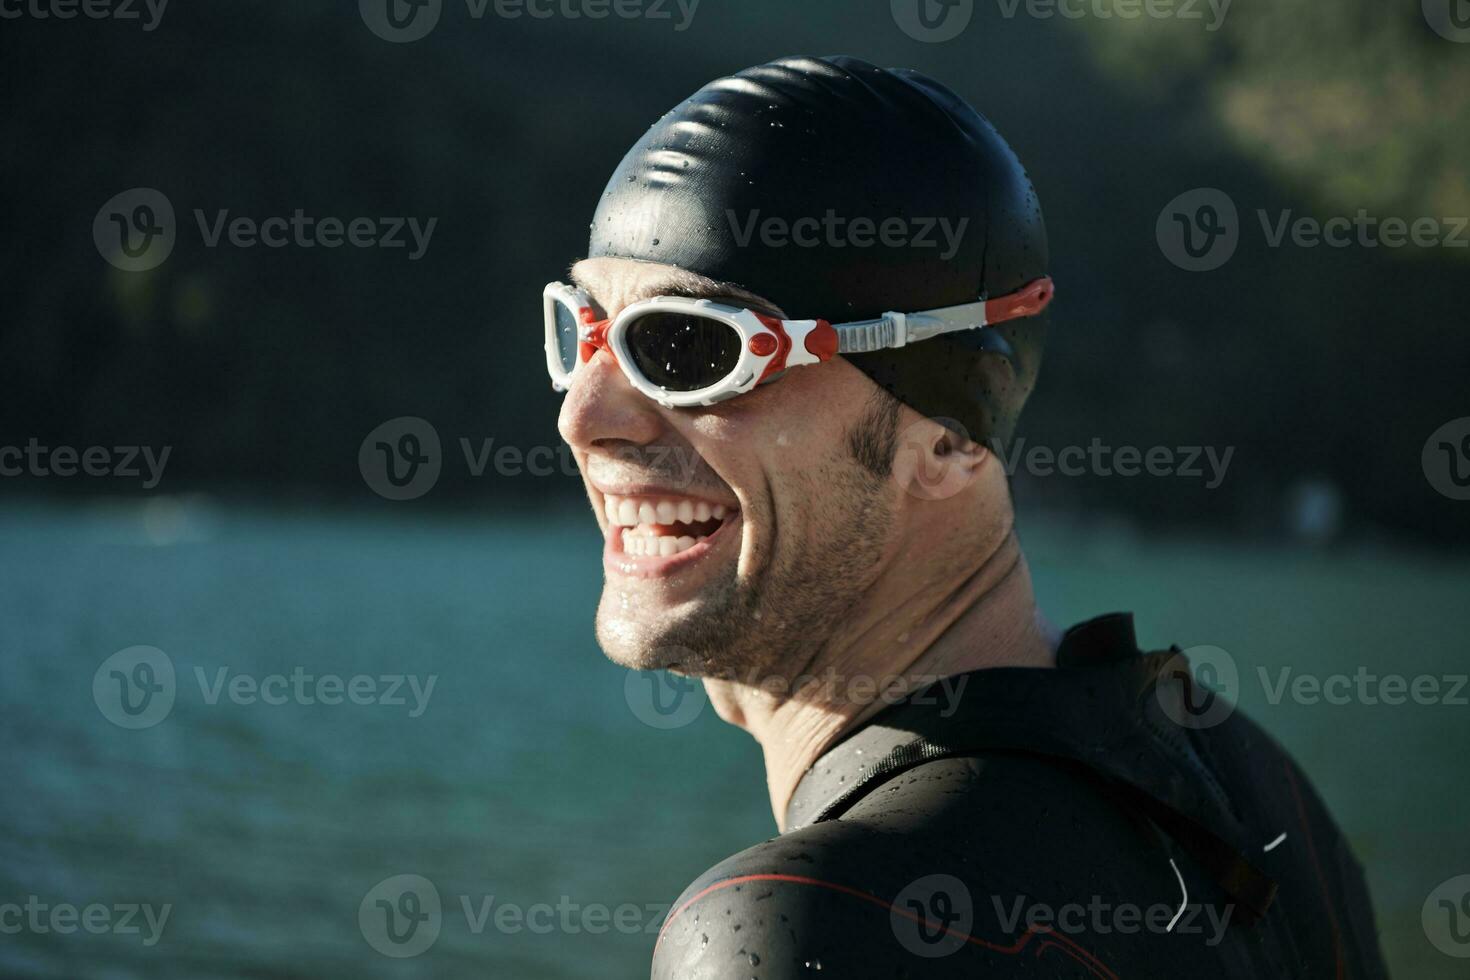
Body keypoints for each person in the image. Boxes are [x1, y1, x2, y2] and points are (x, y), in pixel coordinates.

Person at [545, 55, 1387, 977]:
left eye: (690, 347)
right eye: (585, 330)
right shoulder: (1244, 785)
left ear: (950, 435)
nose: (583, 416)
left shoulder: (802, 930)